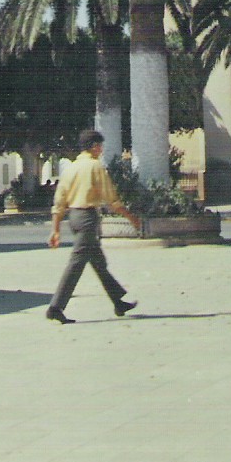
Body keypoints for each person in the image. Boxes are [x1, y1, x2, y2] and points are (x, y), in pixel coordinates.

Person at [46, 129, 141, 324]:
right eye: (100, 146)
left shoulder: (71, 168)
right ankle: (55, 307)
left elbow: (59, 201)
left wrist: (55, 230)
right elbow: (111, 199)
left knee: (98, 262)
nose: (102, 150)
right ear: (94, 147)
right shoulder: (95, 166)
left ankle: (118, 300)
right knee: (77, 263)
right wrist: (131, 217)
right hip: (88, 218)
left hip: (74, 217)